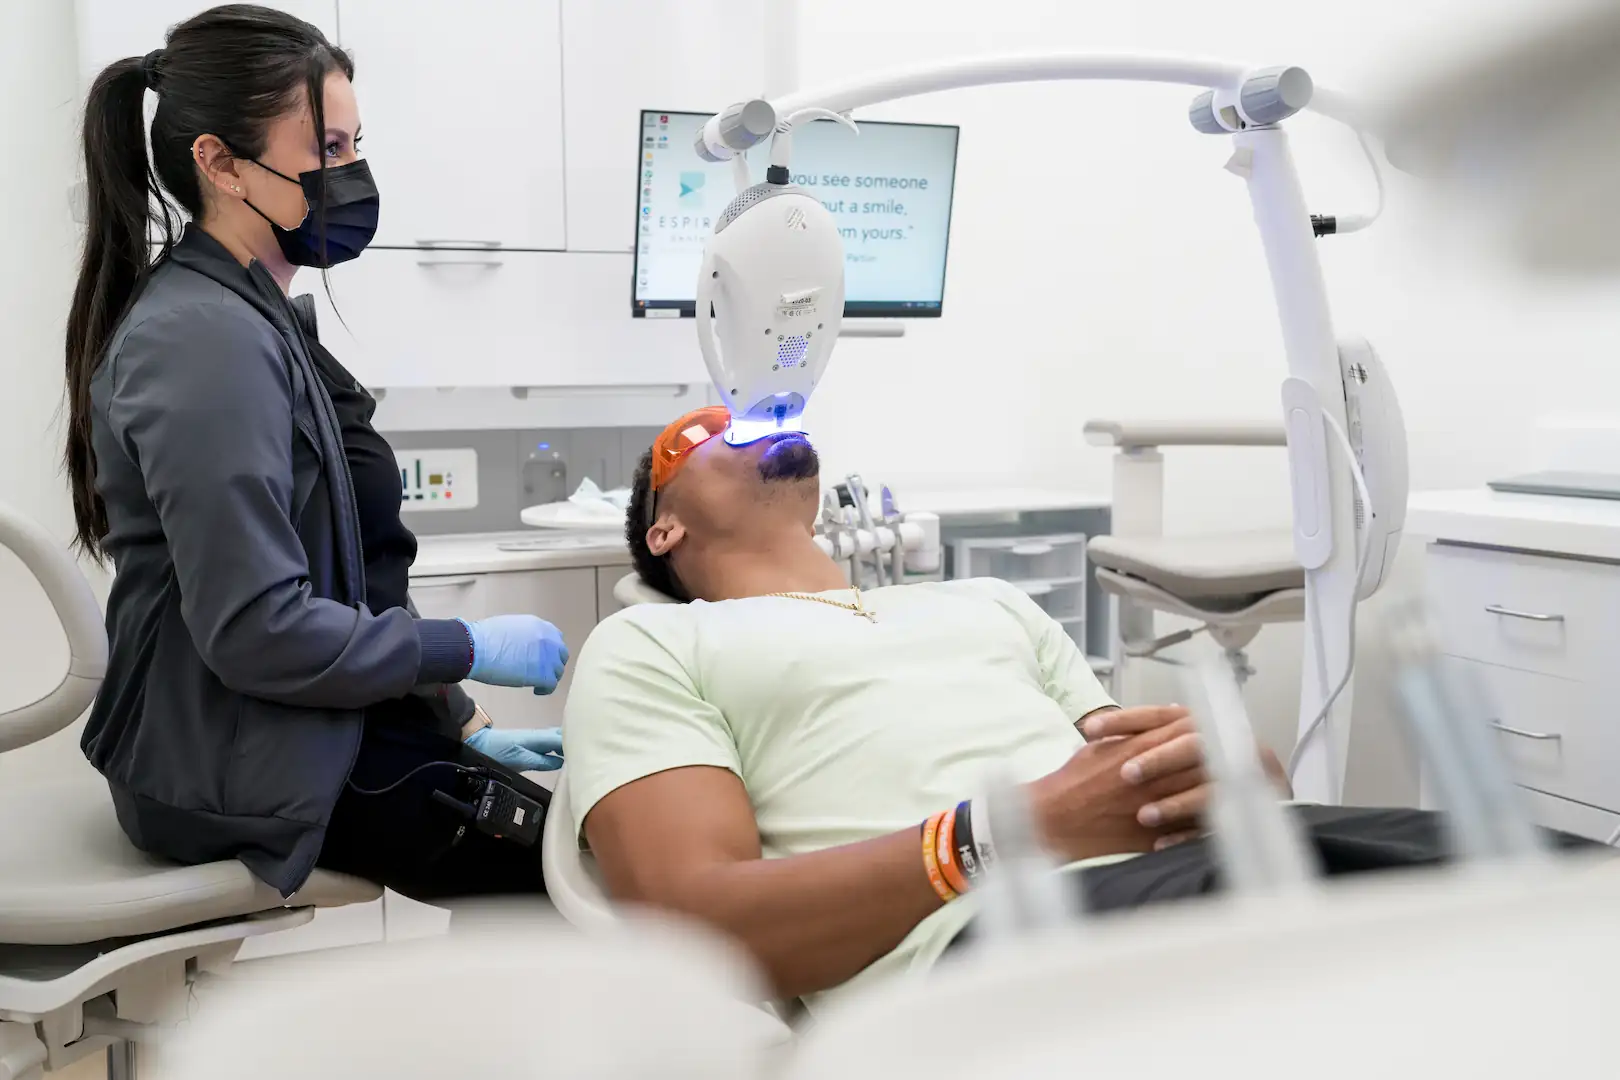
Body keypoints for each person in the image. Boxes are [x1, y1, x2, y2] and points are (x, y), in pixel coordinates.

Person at [65, 5, 568, 901]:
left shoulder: (259, 315)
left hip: (296, 722)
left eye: (353, 145)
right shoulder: (201, 342)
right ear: (217, 162)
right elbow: (258, 631)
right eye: (325, 150)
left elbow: (351, 577)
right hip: (235, 760)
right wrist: (464, 645)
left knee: (577, 853)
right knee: (584, 883)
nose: (351, 174)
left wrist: (458, 716)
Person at [563, 406, 1278, 1009]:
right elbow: (691, 934)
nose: (747, 419)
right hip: (1017, 951)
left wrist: (1236, 778)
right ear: (666, 531)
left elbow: (1130, 768)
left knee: (1389, 873)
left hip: (1221, 876)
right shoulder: (651, 643)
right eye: (704, 428)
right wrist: (1001, 835)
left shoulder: (989, 600)